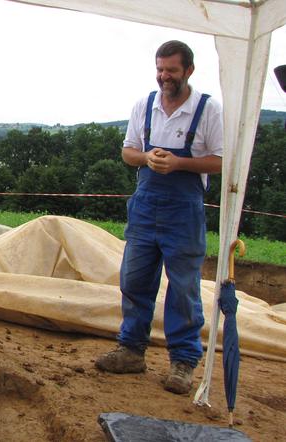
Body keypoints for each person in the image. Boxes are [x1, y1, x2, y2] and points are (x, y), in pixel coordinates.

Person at [95, 40, 223, 395]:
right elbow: (127, 151)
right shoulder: (145, 105)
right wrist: (147, 158)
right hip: (145, 205)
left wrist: (179, 163)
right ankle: (131, 350)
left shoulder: (208, 110)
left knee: (183, 288)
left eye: (171, 70)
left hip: (184, 211)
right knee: (134, 280)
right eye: (160, 69)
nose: (164, 76)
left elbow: (222, 160)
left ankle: (183, 361)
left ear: (189, 71)